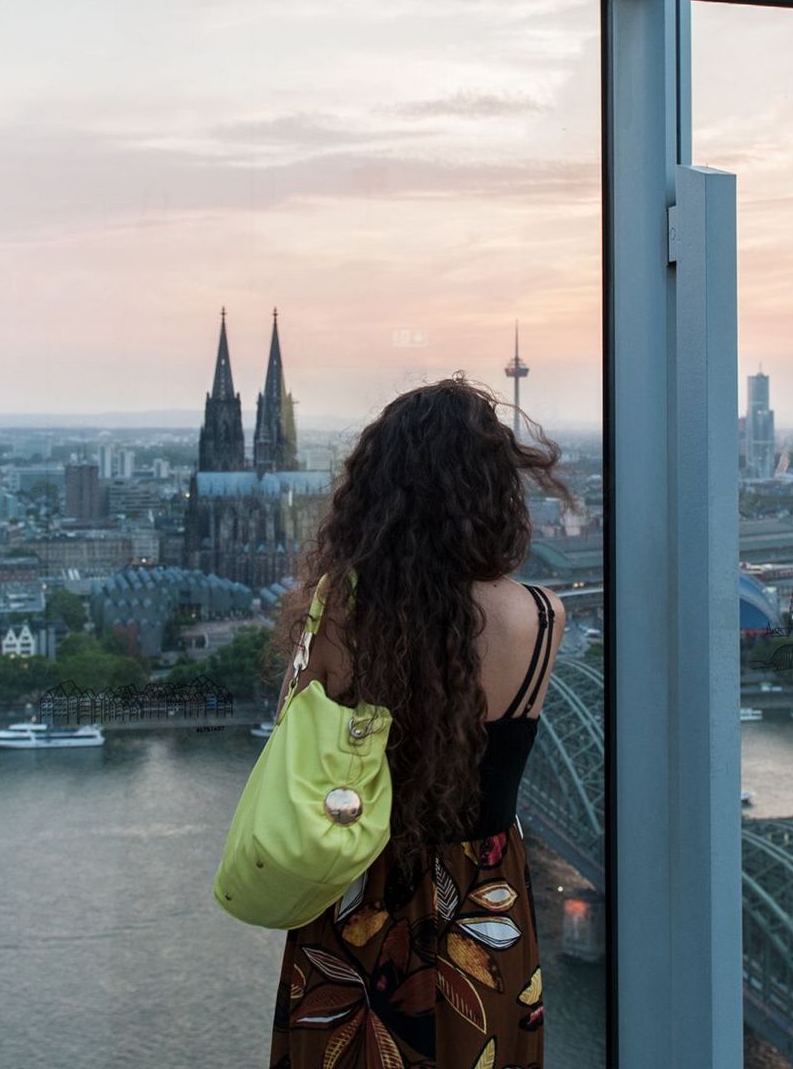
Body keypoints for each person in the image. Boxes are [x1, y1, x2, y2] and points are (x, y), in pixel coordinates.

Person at [266, 376, 574, 1069]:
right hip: (485, 900)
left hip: (359, 892)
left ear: (376, 494)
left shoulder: (341, 615)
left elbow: (293, 733)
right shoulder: (543, 616)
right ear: (495, 491)